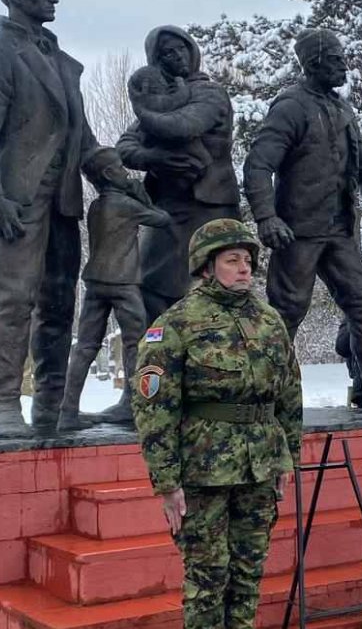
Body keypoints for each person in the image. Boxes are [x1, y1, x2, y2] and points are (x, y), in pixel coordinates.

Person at [0, 0, 138, 438]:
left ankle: (52, 408)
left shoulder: (61, 62)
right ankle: (2, 406)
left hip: (63, 201)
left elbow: (84, 141)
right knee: (13, 302)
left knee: (58, 306)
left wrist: (118, 176)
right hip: (17, 200)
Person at [132, 219, 303, 629]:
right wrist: (167, 483)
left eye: (248, 261)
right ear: (207, 267)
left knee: (248, 572)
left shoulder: (269, 321)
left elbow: (290, 394)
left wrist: (288, 459)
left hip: (261, 466)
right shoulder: (176, 324)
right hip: (203, 470)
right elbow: (154, 409)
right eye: (232, 260)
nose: (244, 268)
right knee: (207, 578)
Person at [243, 27, 362, 417]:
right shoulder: (291, 106)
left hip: (339, 233)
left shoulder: (343, 110)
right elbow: (258, 165)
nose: (344, 66)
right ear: (313, 62)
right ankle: (265, 395)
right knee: (286, 312)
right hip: (297, 233)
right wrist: (266, 217)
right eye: (336, 59)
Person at [117, 25, 241, 325]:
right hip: (170, 207)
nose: (176, 56)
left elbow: (184, 125)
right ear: (157, 61)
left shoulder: (209, 93)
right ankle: (160, 349)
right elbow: (125, 147)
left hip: (211, 205)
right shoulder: (162, 100)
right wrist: (154, 157)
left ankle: (215, 347)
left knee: (215, 282)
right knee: (151, 283)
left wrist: (143, 108)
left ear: (191, 50)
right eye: (166, 54)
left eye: (180, 49)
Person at [58, 148, 171, 430]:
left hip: (95, 282)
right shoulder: (126, 205)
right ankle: (134, 405)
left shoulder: (96, 207)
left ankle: (67, 410)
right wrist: (140, 192)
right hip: (123, 284)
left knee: (85, 346)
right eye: (121, 168)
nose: (126, 173)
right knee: (137, 343)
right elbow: (162, 219)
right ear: (109, 174)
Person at [127, 64, 213, 189]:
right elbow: (177, 101)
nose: (162, 85)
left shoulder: (208, 91)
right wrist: (181, 85)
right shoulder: (153, 104)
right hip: (179, 169)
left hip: (198, 178)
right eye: (158, 83)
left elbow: (182, 126)